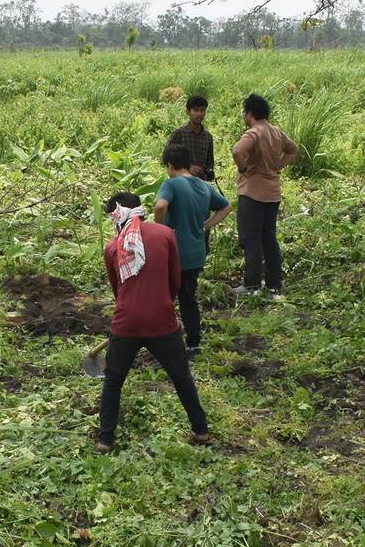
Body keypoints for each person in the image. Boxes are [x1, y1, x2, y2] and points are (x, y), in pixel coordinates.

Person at [96, 195, 210, 454]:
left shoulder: (113, 246)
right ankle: (201, 430)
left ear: (117, 216)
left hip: (126, 324)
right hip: (162, 322)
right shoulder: (165, 234)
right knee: (181, 377)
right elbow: (174, 281)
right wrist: (161, 304)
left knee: (113, 381)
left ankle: (105, 440)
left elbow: (118, 290)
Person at [153, 141, 231, 357]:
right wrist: (205, 226)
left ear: (170, 165)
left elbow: (160, 206)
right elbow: (226, 206)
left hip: (173, 252)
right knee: (188, 299)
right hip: (196, 253)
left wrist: (159, 229)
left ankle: (166, 341)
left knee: (165, 298)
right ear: (188, 164)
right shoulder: (204, 186)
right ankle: (194, 343)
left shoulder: (171, 184)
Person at [231, 94, 297, 301]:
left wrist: (243, 167)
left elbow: (237, 151)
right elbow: (292, 149)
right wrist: (277, 166)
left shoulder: (254, 133)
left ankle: (251, 285)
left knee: (251, 239)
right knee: (269, 238)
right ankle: (273, 286)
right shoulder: (276, 132)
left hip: (252, 192)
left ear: (249, 113)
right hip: (272, 192)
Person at [167, 95, 216, 181]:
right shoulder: (179, 134)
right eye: (196, 110)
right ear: (188, 112)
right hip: (181, 182)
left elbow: (210, 164)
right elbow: (167, 158)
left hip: (200, 184)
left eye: (202, 110)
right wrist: (188, 167)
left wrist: (206, 175)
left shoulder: (208, 137)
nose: (199, 114)